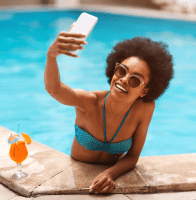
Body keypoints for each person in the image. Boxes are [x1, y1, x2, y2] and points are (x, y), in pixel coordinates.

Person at [44, 24, 174, 194]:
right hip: (75, 169)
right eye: (121, 71)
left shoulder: (144, 108)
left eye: (135, 80)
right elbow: (55, 89)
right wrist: (51, 56)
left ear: (145, 91)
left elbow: (133, 156)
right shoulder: (89, 101)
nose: (124, 80)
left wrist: (109, 173)